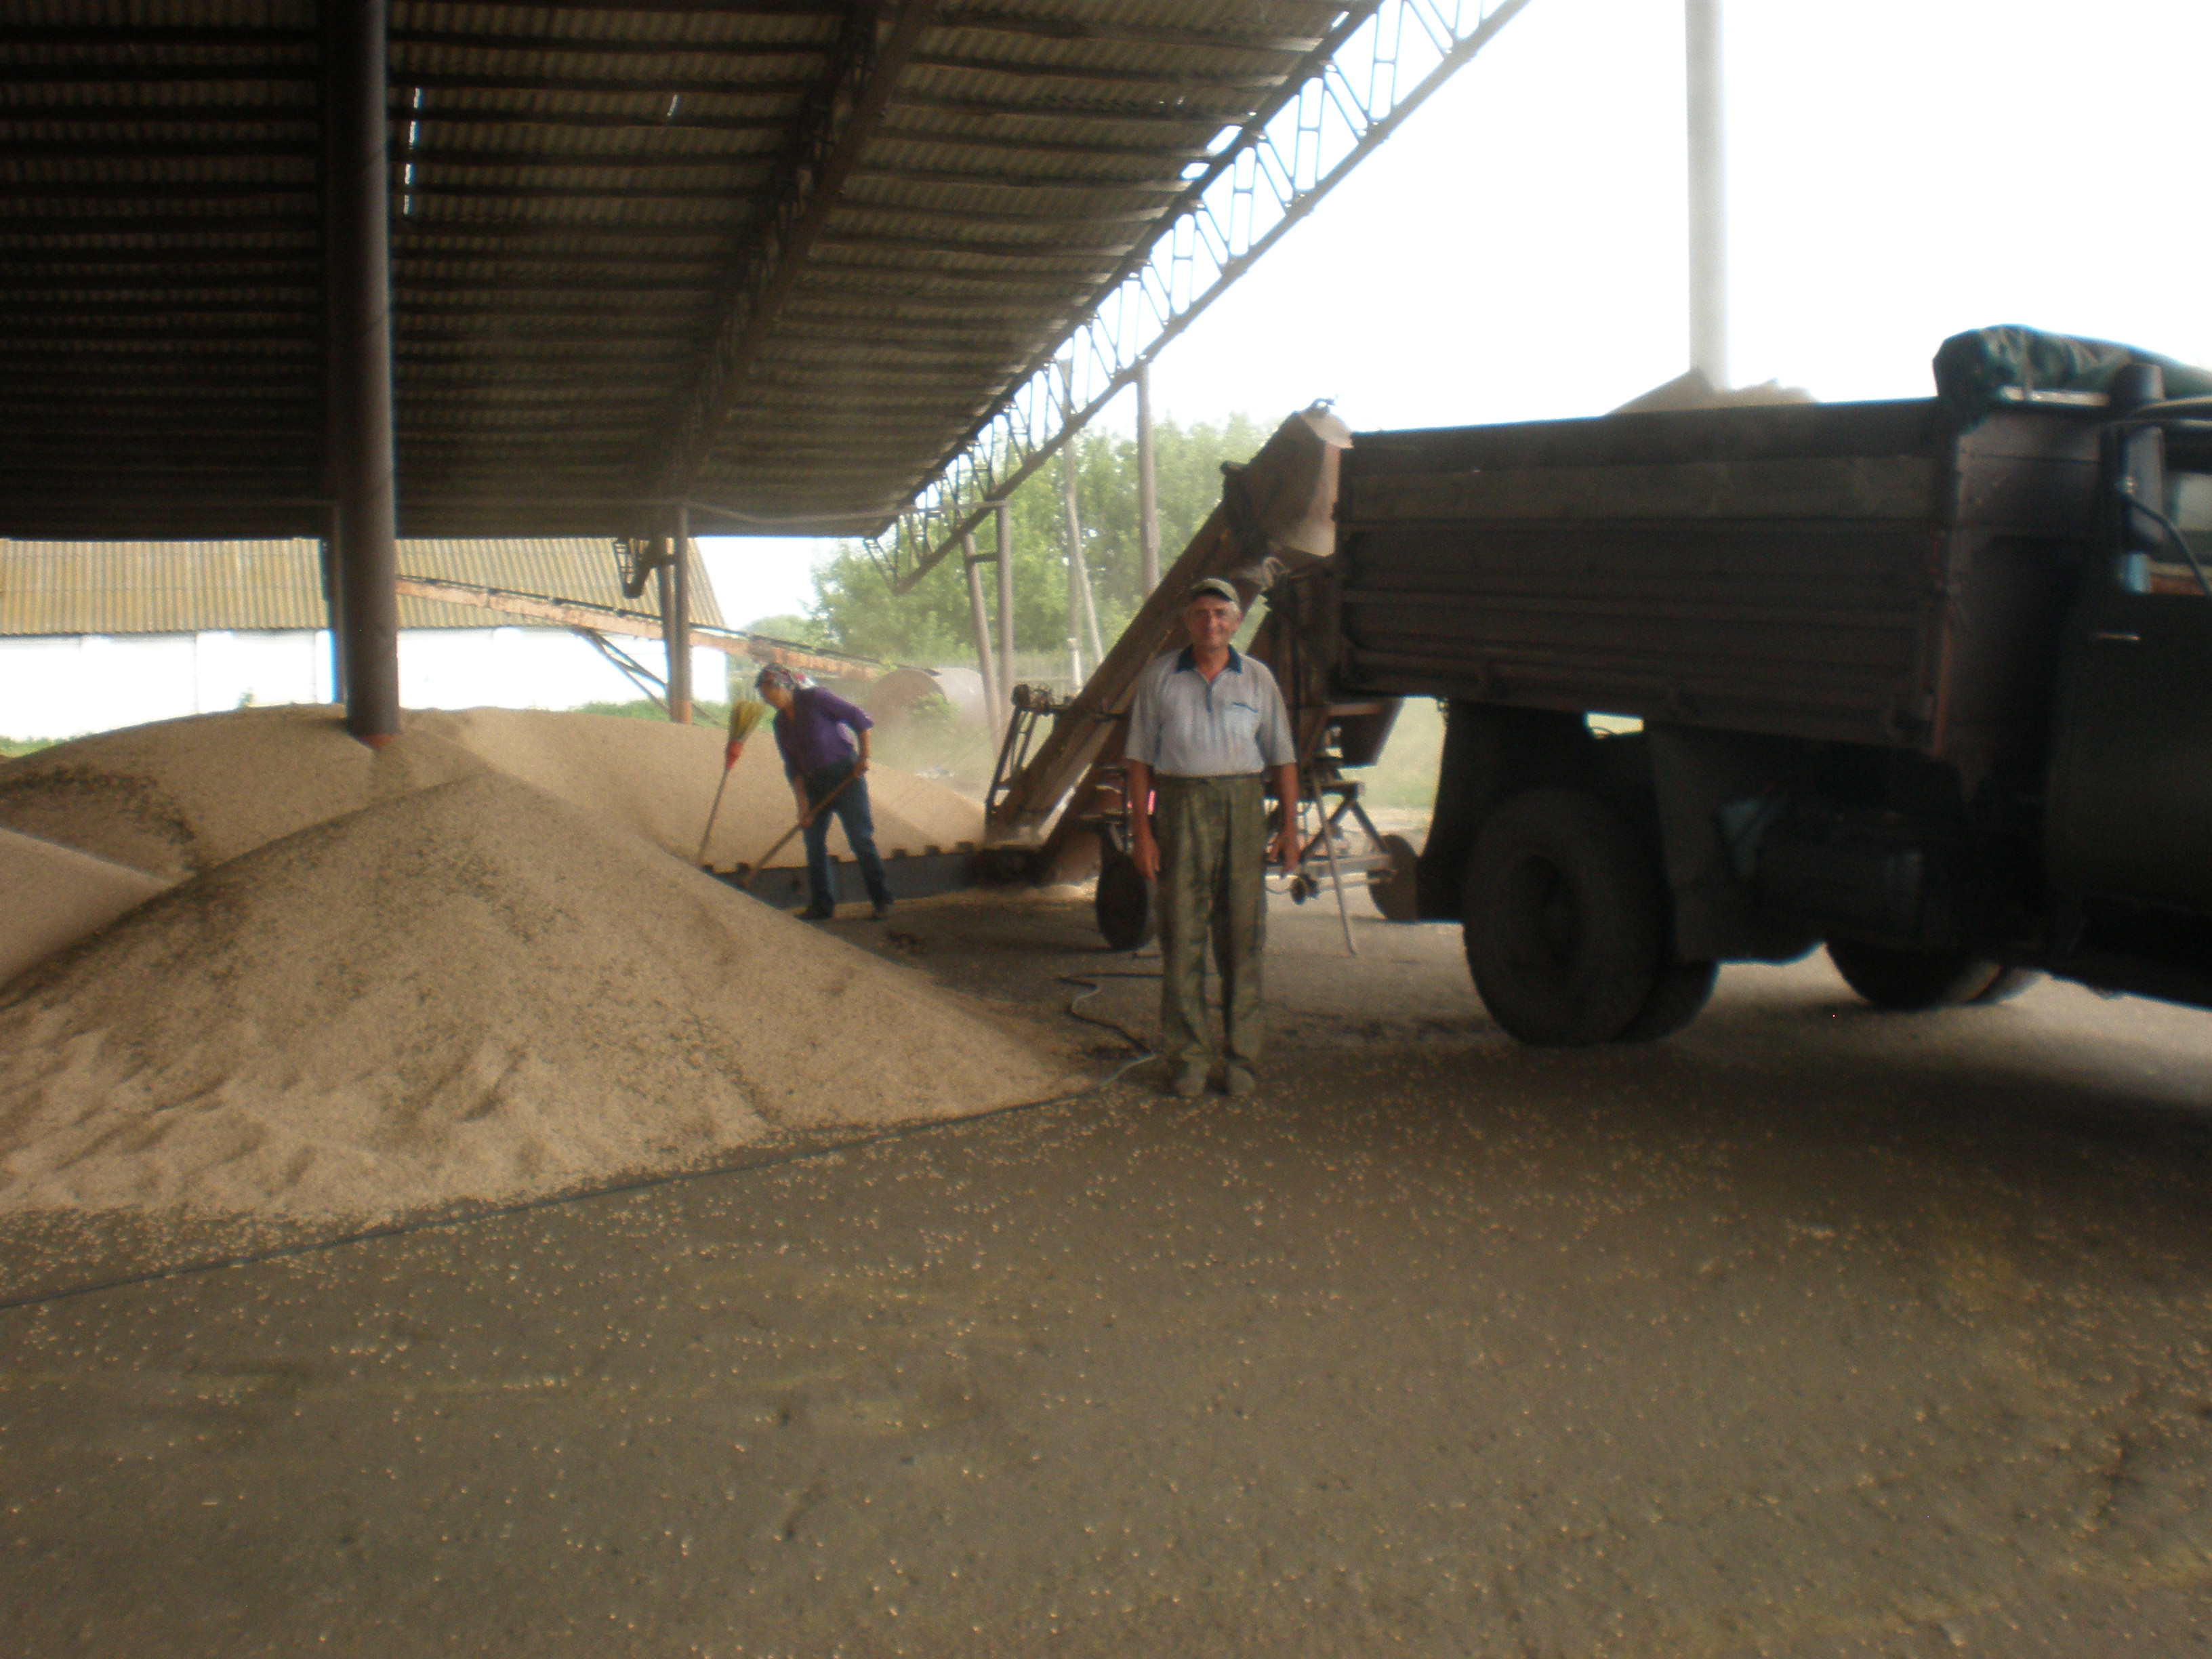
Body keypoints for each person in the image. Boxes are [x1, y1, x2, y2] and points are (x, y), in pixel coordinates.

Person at [1124, 576, 1301, 1097]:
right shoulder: (1159, 678)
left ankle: (1243, 1061)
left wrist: (1290, 830)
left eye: (1221, 614)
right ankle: (1188, 1062)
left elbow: (1283, 757)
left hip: (1243, 806)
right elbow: (1138, 761)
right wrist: (1142, 833)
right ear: (1187, 622)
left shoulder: (1258, 680)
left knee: (1243, 934)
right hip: (1180, 806)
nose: (1211, 623)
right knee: (1182, 933)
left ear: (1236, 621)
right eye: (1201, 614)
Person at [756, 664, 893, 921]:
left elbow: (858, 718)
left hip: (845, 777)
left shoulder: (816, 698)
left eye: (768, 694)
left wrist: (864, 756)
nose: (767, 700)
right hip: (813, 785)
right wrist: (803, 806)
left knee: (861, 839)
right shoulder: (780, 724)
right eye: (764, 697)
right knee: (814, 843)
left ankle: (881, 901)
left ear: (782, 686)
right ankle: (822, 906)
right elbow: (793, 767)